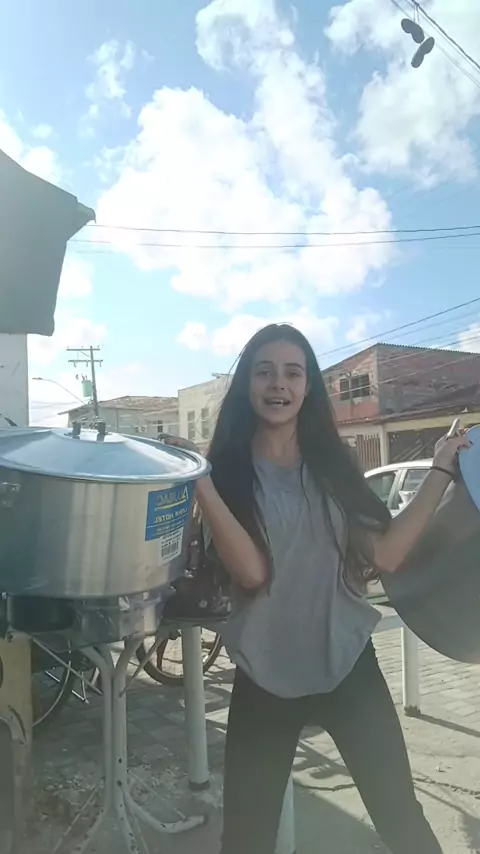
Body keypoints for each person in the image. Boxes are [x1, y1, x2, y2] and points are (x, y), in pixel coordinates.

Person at [170, 323, 470, 854]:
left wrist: (441, 470)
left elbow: (386, 554)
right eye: (264, 372)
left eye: (293, 372)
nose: (278, 384)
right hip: (264, 674)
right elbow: (253, 573)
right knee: (246, 839)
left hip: (349, 666)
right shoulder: (228, 474)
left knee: (402, 819)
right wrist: (200, 480)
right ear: (246, 384)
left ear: (308, 386)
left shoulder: (335, 464)